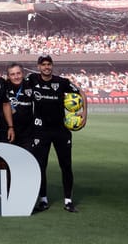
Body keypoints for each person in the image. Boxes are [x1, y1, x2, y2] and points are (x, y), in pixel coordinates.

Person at [29, 55, 88, 213]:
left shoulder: (62, 82)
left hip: (61, 130)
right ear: (38, 66)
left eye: (49, 64)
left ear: (52, 66)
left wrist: (84, 113)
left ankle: (68, 200)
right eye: (43, 64)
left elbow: (81, 92)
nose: (46, 67)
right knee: (41, 166)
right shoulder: (32, 79)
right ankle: (43, 200)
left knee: (66, 165)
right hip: (40, 130)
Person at [4, 62, 35, 152]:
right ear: (8, 76)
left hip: (27, 134)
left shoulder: (30, 86)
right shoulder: (3, 87)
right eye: (12, 74)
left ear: (23, 74)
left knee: (27, 163)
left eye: (18, 73)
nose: (16, 77)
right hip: (8, 132)